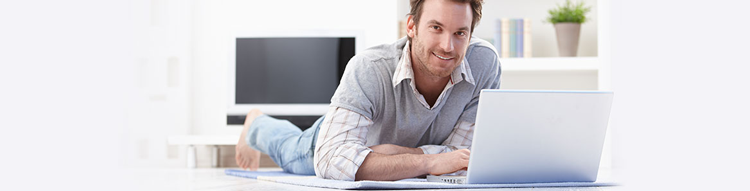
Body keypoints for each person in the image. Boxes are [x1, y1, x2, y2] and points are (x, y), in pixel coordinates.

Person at [235, 0, 499, 181]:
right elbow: (331, 159)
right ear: (411, 26)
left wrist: (396, 154)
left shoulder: (484, 64)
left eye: (460, 33)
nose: (448, 46)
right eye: (436, 28)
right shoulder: (369, 68)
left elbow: (462, 158)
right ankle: (256, 123)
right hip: (349, 134)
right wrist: (429, 162)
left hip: (382, 147)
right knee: (293, 154)